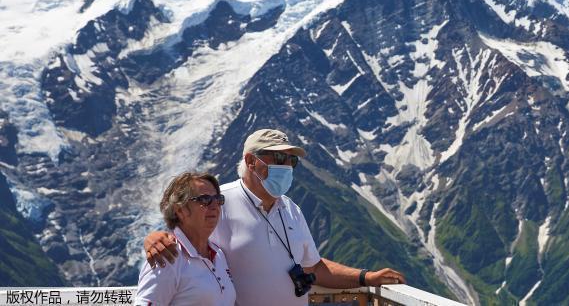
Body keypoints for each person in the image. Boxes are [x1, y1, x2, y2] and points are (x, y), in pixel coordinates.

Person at [144, 129, 405, 305]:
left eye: (292, 160)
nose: (287, 166)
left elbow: (312, 267)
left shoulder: (292, 209)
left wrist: (364, 277)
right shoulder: (219, 201)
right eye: (278, 157)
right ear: (251, 161)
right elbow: (183, 234)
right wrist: (155, 238)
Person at [135, 172, 236, 305]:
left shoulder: (218, 254)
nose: (214, 206)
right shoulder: (167, 255)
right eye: (205, 200)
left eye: (218, 199)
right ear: (180, 210)